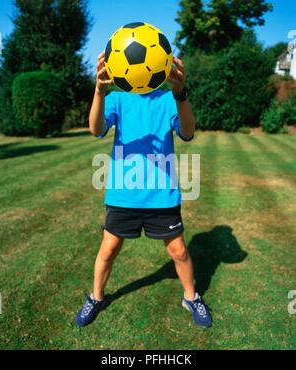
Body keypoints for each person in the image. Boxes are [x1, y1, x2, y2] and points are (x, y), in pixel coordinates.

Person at [76, 51, 212, 328]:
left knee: (179, 252)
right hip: (123, 194)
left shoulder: (167, 99)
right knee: (108, 250)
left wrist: (180, 93)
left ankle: (191, 297)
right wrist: (100, 91)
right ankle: (96, 297)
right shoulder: (117, 98)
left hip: (162, 196)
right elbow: (95, 129)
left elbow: (187, 133)